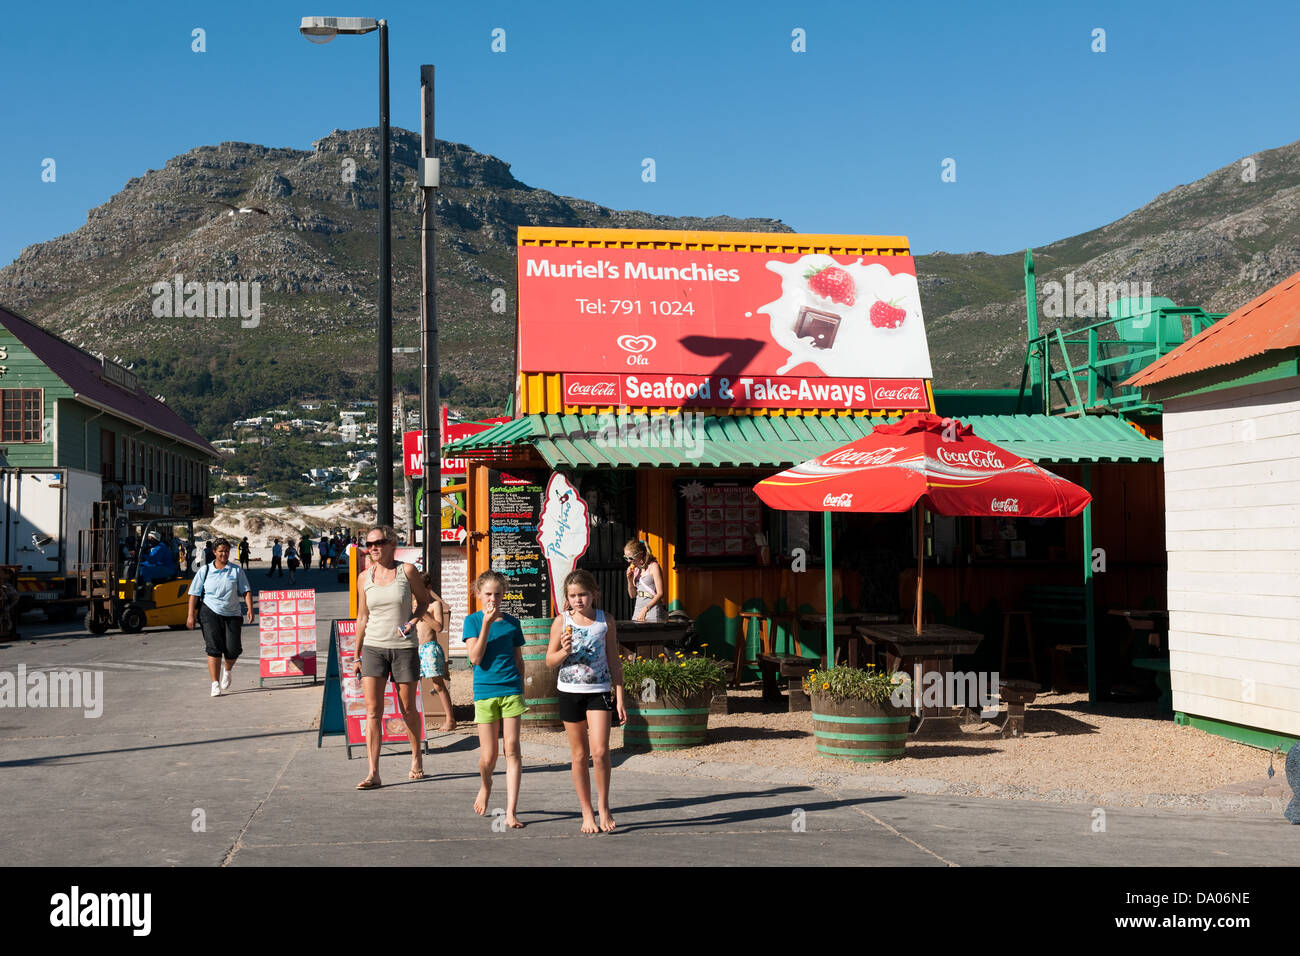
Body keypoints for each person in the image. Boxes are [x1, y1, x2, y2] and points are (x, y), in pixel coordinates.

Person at [352, 525, 438, 789]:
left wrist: (412, 622)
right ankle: (373, 772)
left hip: (403, 648)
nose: (373, 548)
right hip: (373, 648)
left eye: (378, 543)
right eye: (369, 544)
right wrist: (356, 655)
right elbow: (362, 616)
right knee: (373, 711)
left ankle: (416, 759)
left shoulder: (407, 571)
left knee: (407, 707)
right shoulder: (364, 577)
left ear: (392, 544)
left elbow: (423, 603)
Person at [546, 569, 625, 833]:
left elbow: (614, 658)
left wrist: (620, 696)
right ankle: (586, 811)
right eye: (573, 595)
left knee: (601, 752)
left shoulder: (606, 621)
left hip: (599, 689)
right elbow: (549, 661)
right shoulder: (562, 621)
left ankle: (604, 806)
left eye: (583, 594)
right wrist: (564, 650)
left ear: (594, 594)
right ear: (566, 598)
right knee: (579, 754)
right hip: (569, 690)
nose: (579, 600)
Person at [463, 570, 526, 828]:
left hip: (511, 689)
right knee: (488, 757)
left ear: (504, 595)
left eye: (497, 594)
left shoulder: (512, 623)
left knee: (512, 749)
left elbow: (518, 659)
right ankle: (485, 785)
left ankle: (511, 811)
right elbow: (475, 658)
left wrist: (521, 687)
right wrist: (487, 624)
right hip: (485, 691)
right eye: (488, 594)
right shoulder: (473, 621)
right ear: (478, 595)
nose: (493, 599)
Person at [186, 538, 253, 698]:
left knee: (233, 649)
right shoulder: (205, 571)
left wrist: (250, 608)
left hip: (232, 614)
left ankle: (227, 670)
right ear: (214, 552)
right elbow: (194, 594)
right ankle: (214, 683)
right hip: (209, 612)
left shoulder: (236, 570)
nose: (224, 554)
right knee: (213, 648)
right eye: (221, 551)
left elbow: (246, 590)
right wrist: (190, 615)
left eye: (226, 551)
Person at [415, 572, 455, 732]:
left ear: (428, 588)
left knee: (438, 685)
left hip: (430, 648)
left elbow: (439, 627)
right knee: (412, 685)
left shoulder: (434, 605)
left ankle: (450, 719)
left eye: (419, 589)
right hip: (414, 648)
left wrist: (423, 614)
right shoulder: (411, 604)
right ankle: (414, 719)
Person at [624, 539, 666, 622]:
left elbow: (660, 593)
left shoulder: (653, 566)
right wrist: (629, 579)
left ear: (640, 554)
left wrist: (645, 609)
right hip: (638, 609)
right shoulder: (636, 570)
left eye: (631, 558)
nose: (628, 561)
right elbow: (632, 595)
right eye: (626, 558)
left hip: (652, 610)